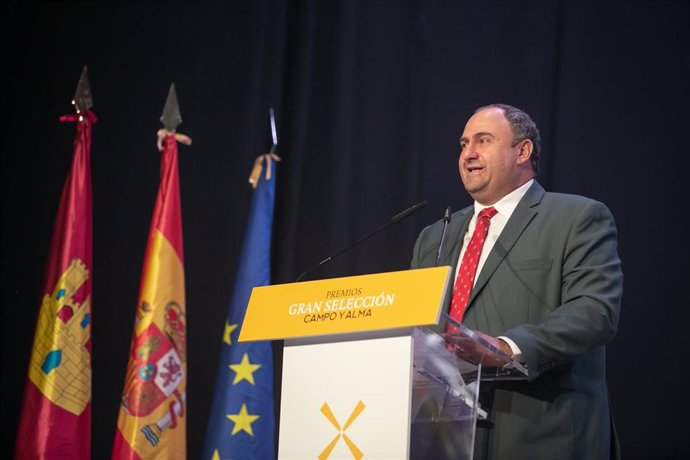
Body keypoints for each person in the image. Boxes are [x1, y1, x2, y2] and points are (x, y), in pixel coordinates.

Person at [410, 104, 623, 459]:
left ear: (522, 151)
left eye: (483, 141)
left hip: (538, 432)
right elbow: (416, 327)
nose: (469, 154)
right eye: (463, 144)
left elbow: (594, 312)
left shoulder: (576, 217)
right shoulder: (435, 237)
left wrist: (507, 349)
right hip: (443, 436)